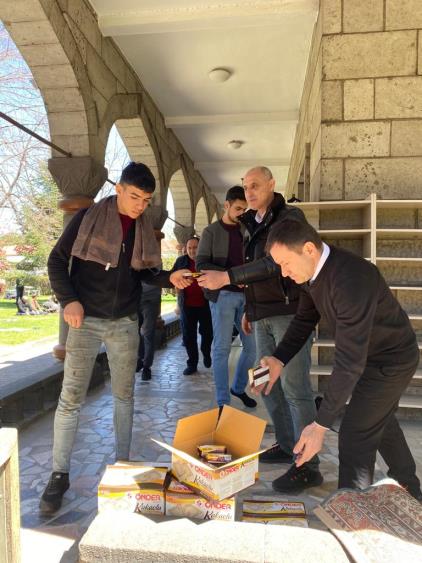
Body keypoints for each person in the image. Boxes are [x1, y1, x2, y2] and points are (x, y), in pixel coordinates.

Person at [40, 162, 191, 513]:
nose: (140, 205)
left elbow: (147, 272)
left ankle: (122, 464)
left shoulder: (142, 228)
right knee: (71, 398)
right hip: (85, 321)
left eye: (146, 200)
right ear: (119, 189)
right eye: (135, 196)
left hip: (124, 321)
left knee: (125, 396)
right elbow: (56, 261)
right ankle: (58, 475)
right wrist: (70, 300)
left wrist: (173, 277)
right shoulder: (87, 218)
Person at [257, 218, 422, 500]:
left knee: (355, 435)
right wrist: (279, 359)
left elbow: (349, 362)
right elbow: (305, 318)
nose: (284, 273)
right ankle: (410, 488)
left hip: (391, 360)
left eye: (286, 263)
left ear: (308, 249)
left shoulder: (352, 279)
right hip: (369, 358)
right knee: (378, 422)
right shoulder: (311, 276)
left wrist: (320, 425)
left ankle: (352, 514)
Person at [197, 166, 321, 493]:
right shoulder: (251, 222)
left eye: (255, 185)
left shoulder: (288, 218)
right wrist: (251, 311)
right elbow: (258, 274)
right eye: (245, 187)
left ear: (271, 185)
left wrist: (226, 278)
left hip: (290, 314)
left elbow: (272, 264)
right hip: (263, 315)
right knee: (269, 387)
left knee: (295, 389)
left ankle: (310, 466)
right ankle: (285, 443)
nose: (249, 192)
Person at [196, 186, 256, 409]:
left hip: (247, 296)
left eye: (245, 208)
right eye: (238, 208)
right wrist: (231, 278)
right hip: (222, 296)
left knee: (253, 348)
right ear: (227, 205)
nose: (242, 212)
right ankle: (223, 401)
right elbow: (201, 265)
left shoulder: (247, 230)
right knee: (221, 349)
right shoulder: (210, 232)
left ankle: (238, 388)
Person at [172, 236, 213, 375]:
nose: (191, 250)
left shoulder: (207, 260)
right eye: (189, 248)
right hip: (187, 305)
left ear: (200, 247)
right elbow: (172, 279)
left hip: (205, 304)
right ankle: (192, 364)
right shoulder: (181, 261)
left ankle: (206, 353)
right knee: (188, 336)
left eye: (195, 247)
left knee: (207, 334)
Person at [136, 281, 162, 381]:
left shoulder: (155, 265)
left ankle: (146, 367)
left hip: (150, 300)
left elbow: (159, 276)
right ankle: (140, 359)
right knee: (134, 333)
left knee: (148, 334)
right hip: (134, 299)